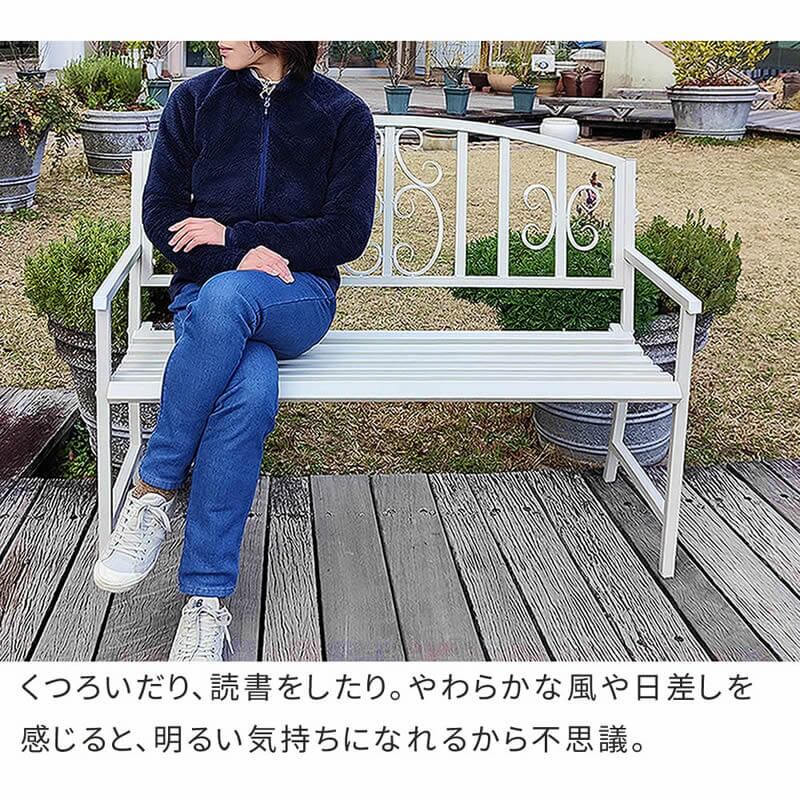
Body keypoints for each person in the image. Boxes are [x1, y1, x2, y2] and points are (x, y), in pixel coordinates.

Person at [91, 41, 377, 661]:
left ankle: (152, 489)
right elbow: (161, 213)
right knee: (247, 391)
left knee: (228, 299)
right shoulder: (193, 102)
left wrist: (240, 236)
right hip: (207, 292)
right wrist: (237, 253)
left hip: (297, 295)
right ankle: (206, 601)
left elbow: (348, 230)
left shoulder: (341, 113)